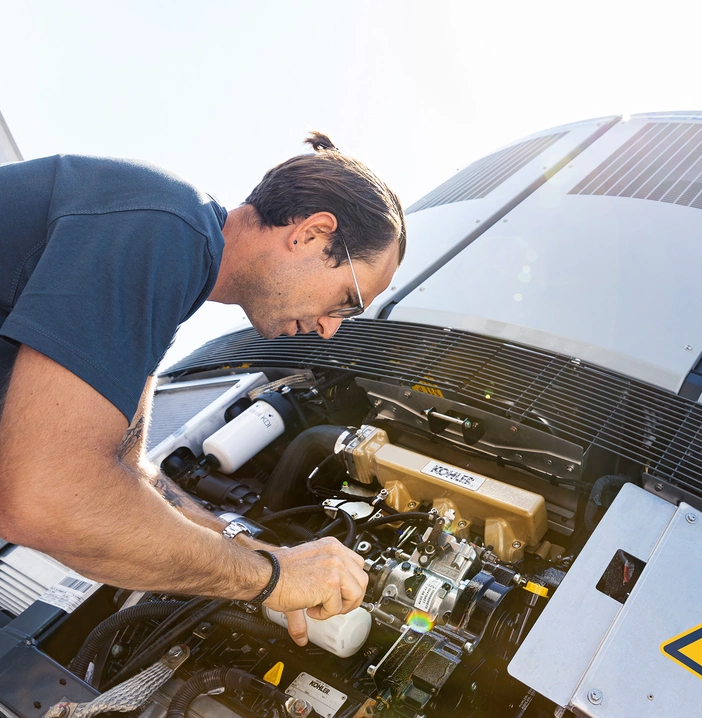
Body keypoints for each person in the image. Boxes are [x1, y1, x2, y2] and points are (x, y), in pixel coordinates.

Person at [0, 132, 406, 646]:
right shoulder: (166, 225)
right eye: (347, 300)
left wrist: (249, 544)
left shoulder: (170, 255)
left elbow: (126, 468)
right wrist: (269, 580)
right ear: (312, 234)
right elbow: (49, 497)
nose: (332, 328)